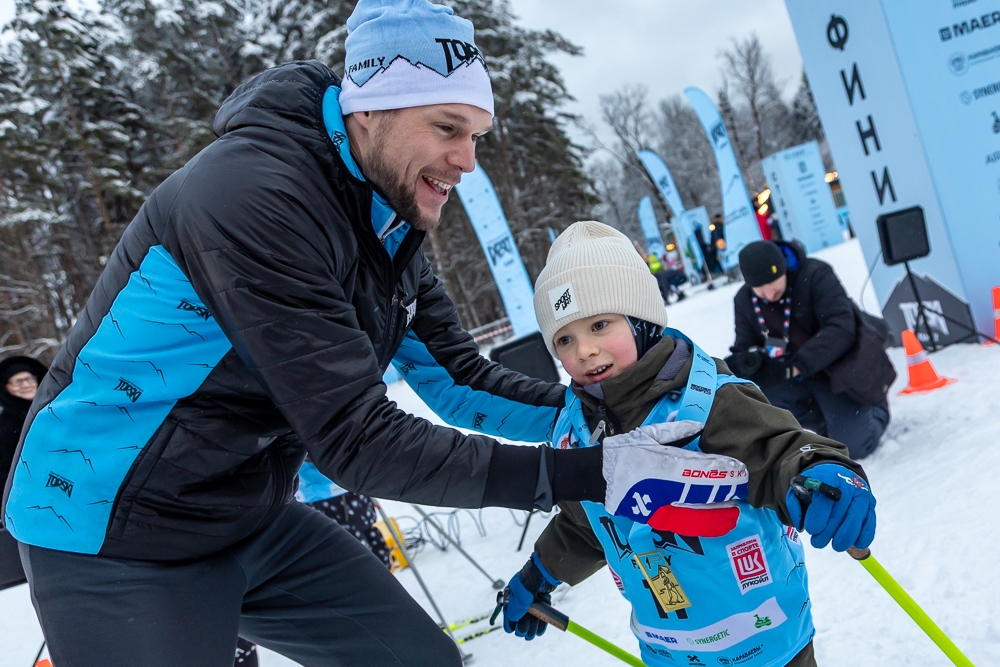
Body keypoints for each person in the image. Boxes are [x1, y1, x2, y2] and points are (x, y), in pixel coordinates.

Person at [1, 3, 689, 665]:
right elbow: (356, 437)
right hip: (110, 528)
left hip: (241, 511)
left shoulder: (387, 221)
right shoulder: (252, 197)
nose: (468, 159)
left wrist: (616, 409)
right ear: (371, 110)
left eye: (476, 134)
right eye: (448, 127)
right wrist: (586, 472)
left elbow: (457, 378)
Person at [497, 222, 876, 667]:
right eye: (565, 339)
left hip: (767, 643)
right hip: (670, 651)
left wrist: (821, 472)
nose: (584, 350)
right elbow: (589, 523)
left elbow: (780, 454)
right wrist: (540, 571)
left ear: (641, 319)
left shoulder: (707, 401)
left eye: (600, 325)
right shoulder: (579, 431)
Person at [727, 240, 892, 460]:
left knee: (855, 448)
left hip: (836, 369)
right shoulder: (745, 300)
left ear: (783, 268)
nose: (769, 292)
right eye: (760, 288)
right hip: (794, 378)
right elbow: (744, 345)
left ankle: (875, 404)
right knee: (760, 396)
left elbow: (840, 329)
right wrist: (743, 362)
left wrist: (795, 366)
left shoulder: (816, 274)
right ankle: (828, 422)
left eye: (774, 281)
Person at [1, 356, 47, 593]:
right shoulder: (6, 426)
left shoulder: (56, 409)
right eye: (17, 382)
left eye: (28, 378)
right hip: (35, 502)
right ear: (6, 388)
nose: (25, 384)